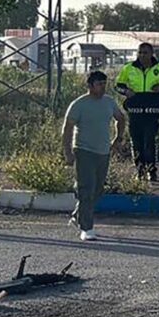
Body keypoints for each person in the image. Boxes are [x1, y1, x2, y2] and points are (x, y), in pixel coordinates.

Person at [63, 71, 126, 241]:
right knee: (86, 188)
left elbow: (120, 118)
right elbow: (67, 128)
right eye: (99, 84)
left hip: (103, 151)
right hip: (84, 151)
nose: (103, 87)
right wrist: (67, 152)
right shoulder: (79, 104)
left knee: (98, 189)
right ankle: (86, 228)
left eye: (104, 84)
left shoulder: (109, 102)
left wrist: (118, 138)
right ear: (90, 86)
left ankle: (78, 215)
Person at [115, 42, 159, 181]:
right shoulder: (129, 68)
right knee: (136, 142)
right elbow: (118, 86)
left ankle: (152, 171)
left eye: (145, 52)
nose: (142, 55)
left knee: (149, 140)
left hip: (153, 110)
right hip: (135, 110)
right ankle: (140, 171)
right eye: (140, 52)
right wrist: (126, 91)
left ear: (152, 53)